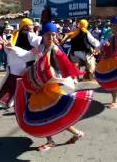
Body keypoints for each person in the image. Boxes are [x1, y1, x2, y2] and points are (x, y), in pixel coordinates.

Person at [15, 22, 94, 151]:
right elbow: (26, 56)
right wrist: (11, 48)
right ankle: (73, 134)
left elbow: (65, 64)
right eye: (48, 35)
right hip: (38, 85)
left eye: (53, 35)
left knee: (51, 113)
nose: (51, 38)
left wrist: (73, 75)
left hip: (49, 85)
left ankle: (58, 138)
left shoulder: (55, 49)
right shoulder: (39, 49)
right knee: (48, 114)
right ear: (43, 36)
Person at [0, 18, 41, 109]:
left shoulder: (15, 34)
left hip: (15, 61)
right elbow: (37, 42)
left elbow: (8, 48)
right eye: (31, 25)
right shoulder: (28, 34)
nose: (32, 26)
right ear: (26, 26)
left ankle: (3, 100)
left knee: (12, 82)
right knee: (29, 82)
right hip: (25, 61)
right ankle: (27, 100)